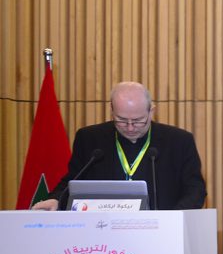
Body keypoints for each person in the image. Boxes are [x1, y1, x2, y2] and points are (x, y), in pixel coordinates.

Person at [33, 81, 206, 210]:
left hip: (161, 231)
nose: (130, 128)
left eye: (138, 121)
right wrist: (56, 199)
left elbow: (195, 190)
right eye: (122, 120)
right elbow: (73, 180)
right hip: (102, 230)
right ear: (111, 110)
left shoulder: (179, 141)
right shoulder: (90, 139)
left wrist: (172, 218)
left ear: (151, 111)